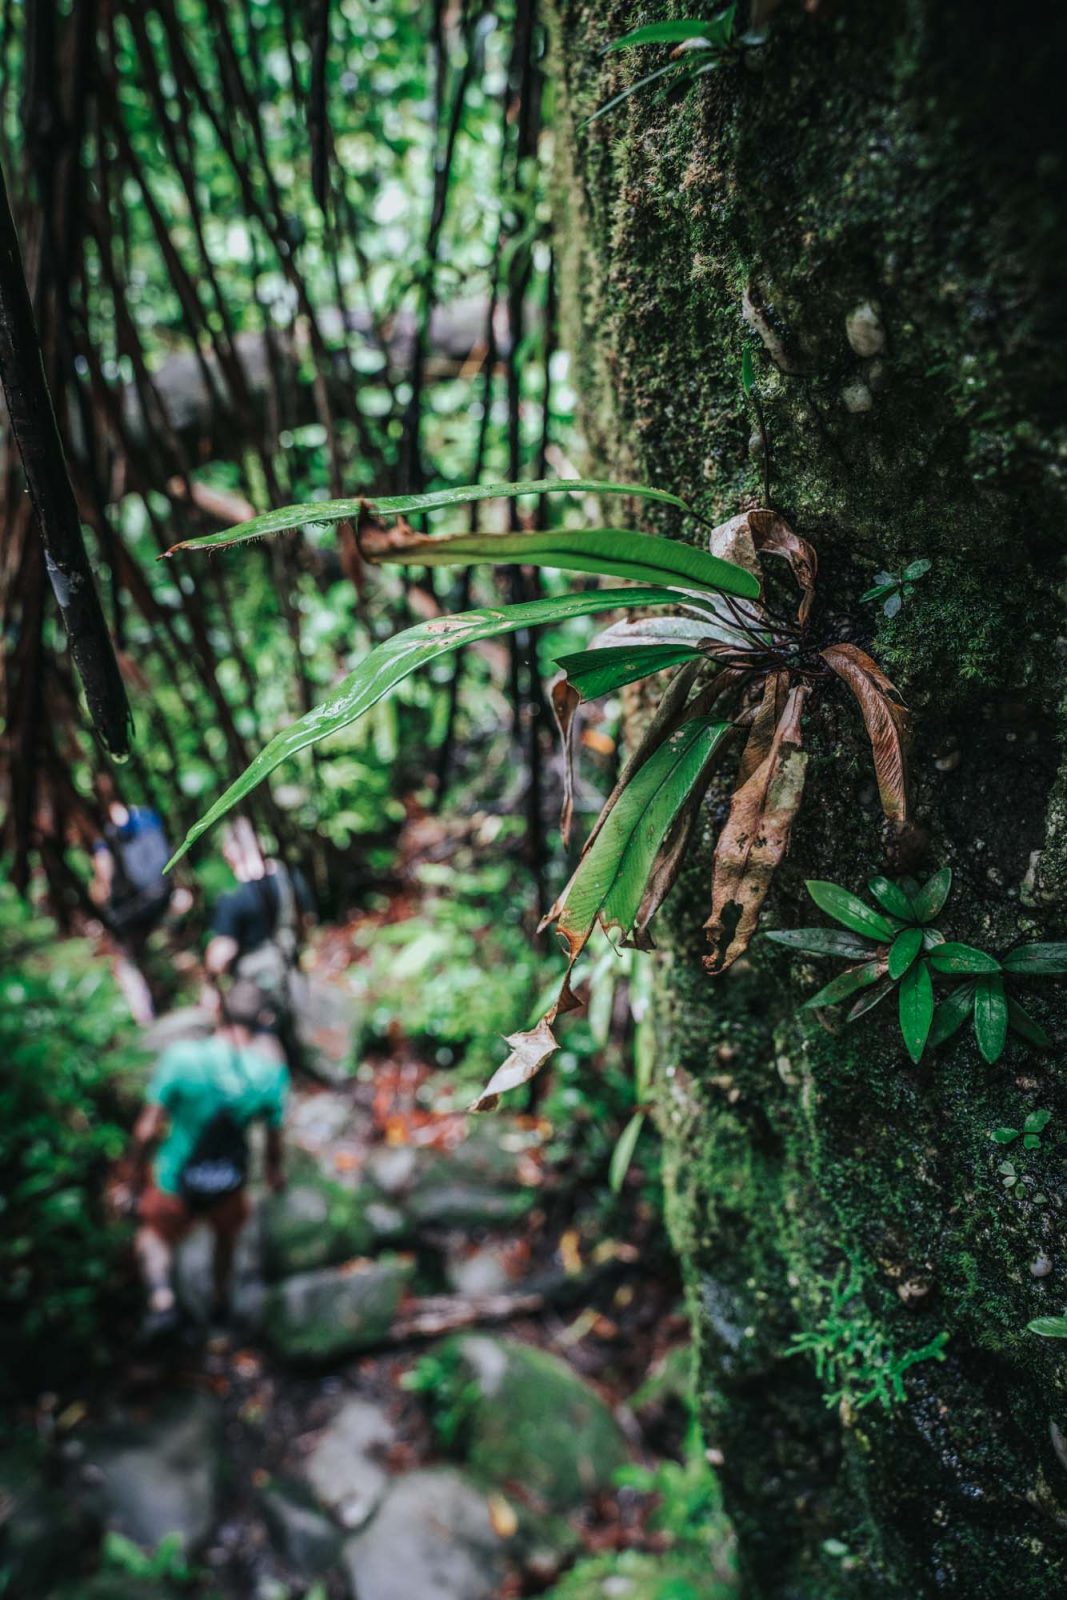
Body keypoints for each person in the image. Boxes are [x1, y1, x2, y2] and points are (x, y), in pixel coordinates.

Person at [120, 980, 289, 1340]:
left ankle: (163, 1300)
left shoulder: (183, 1058)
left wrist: (132, 1178)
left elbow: (147, 1130)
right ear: (262, 1021)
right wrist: (274, 1173)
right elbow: (274, 1140)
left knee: (154, 1237)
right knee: (225, 1240)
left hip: (173, 1178)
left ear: (218, 1012)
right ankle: (219, 1305)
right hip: (227, 1182)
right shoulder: (269, 1074)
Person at [205, 820, 314, 1069]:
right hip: (290, 970)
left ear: (231, 851)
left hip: (253, 983)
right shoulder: (288, 877)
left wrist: (211, 984)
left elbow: (222, 952)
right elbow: (306, 921)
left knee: (240, 1040)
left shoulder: (233, 894)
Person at [90, 774, 176, 1022]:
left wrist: (99, 907)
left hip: (136, 906)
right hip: (162, 892)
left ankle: (142, 1014)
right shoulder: (147, 816)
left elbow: (103, 881)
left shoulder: (105, 835)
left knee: (117, 949)